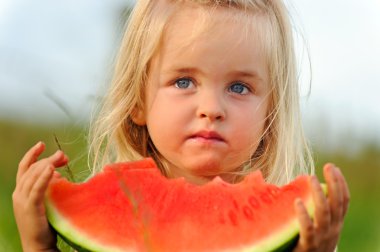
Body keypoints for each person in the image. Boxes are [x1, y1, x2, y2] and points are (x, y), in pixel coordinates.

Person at [13, 0, 350, 251]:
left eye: (238, 87)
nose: (211, 109)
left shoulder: (295, 225)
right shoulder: (113, 214)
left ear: (271, 113)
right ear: (137, 101)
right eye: (184, 82)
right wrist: (39, 244)